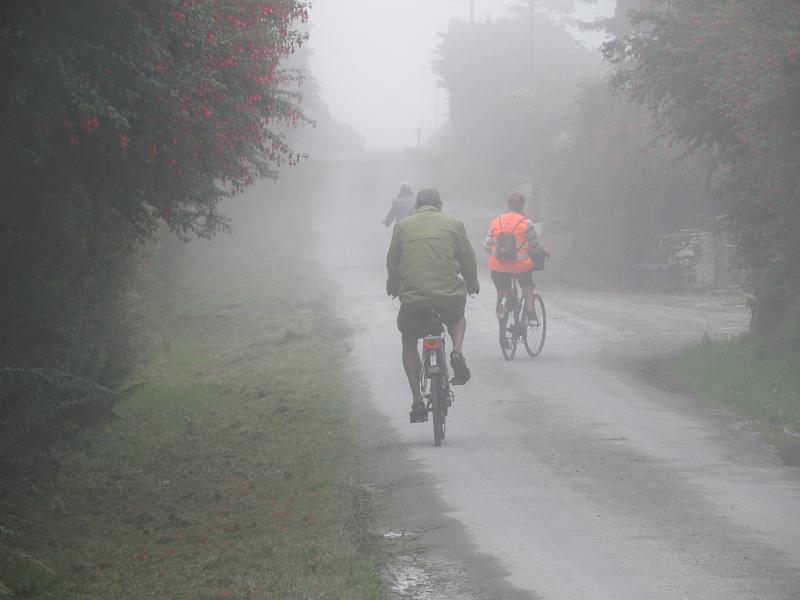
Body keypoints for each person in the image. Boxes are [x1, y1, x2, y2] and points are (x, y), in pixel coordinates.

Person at [386, 188, 479, 422]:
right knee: (457, 318)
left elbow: (393, 261)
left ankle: (417, 400)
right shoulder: (454, 224)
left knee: (409, 339)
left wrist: (393, 284)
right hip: (448, 295)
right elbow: (468, 258)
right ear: (440, 204)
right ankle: (457, 352)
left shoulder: (403, 226)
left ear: (417, 205)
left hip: (414, 297)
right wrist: (472, 282)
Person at [484, 192, 544, 347]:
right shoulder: (527, 223)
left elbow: (487, 246)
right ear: (522, 206)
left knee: (501, 294)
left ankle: (502, 332)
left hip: (498, 268)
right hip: (520, 267)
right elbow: (534, 246)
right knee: (527, 284)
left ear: (508, 204)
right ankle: (530, 310)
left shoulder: (496, 221)